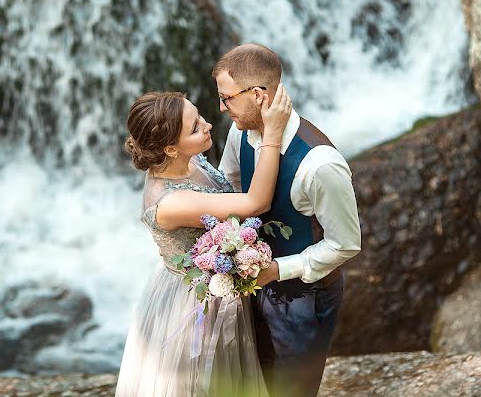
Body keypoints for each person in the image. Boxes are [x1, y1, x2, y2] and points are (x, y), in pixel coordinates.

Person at [114, 84, 292, 397]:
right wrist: (273, 134)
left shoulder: (187, 160)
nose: (208, 125)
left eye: (199, 118)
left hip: (215, 280)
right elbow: (255, 203)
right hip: (196, 301)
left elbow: (221, 192)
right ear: (170, 148)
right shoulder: (170, 202)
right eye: (196, 127)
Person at [214, 43, 362, 397]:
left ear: (259, 95)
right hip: (251, 288)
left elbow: (345, 244)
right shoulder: (239, 133)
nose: (221, 107)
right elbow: (228, 188)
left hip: (304, 300)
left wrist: (278, 270)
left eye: (227, 98)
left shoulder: (320, 166)